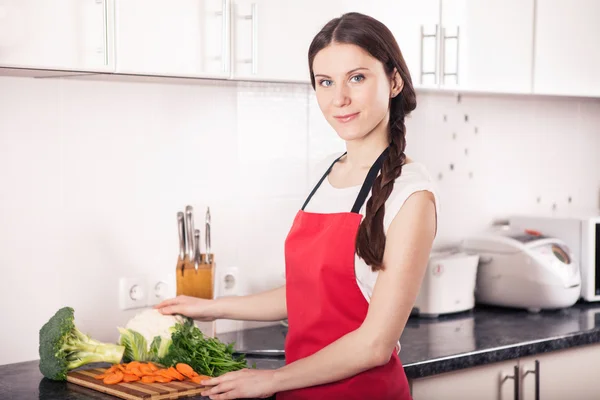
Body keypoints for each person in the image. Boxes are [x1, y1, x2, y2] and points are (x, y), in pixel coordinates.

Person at [155, 12, 439, 400]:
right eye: (325, 82)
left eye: (356, 77)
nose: (339, 98)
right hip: (302, 391)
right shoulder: (331, 175)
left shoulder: (412, 196)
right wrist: (214, 308)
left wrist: (270, 380)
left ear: (393, 81)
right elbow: (308, 293)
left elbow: (374, 344)